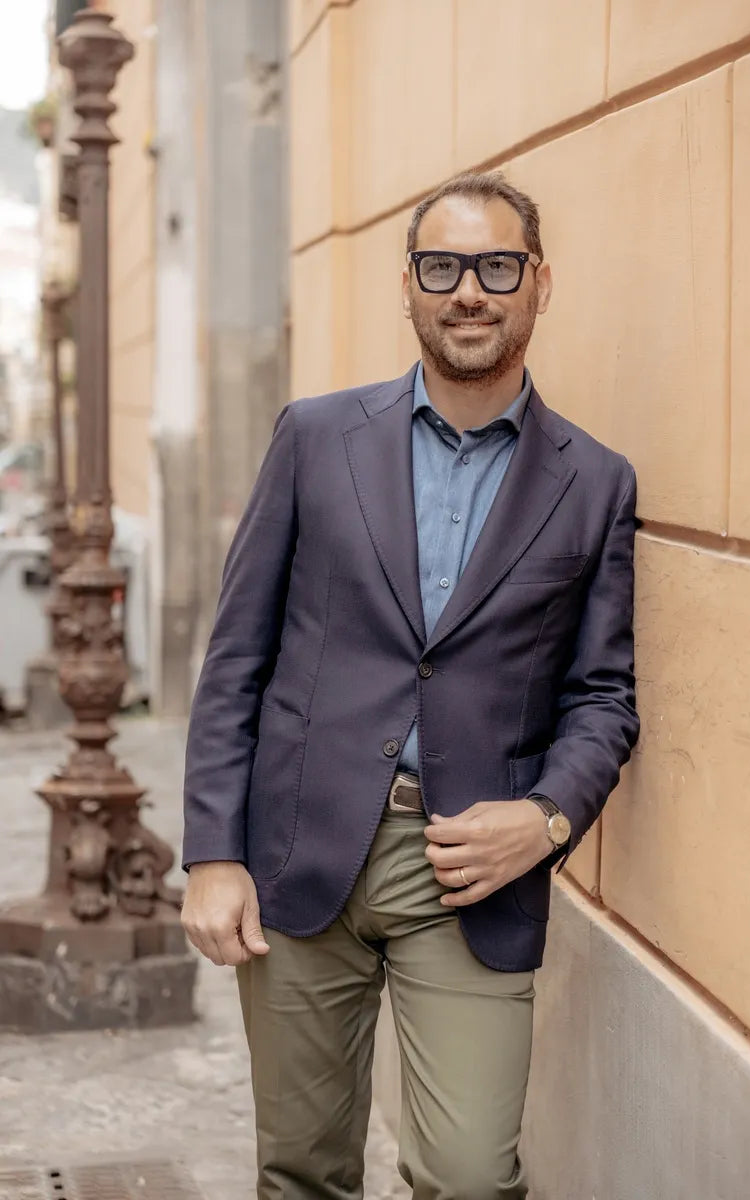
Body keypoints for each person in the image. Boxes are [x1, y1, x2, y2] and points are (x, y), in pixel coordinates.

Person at [181, 170, 639, 1200]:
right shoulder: (314, 438)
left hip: (471, 872)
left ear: (539, 283)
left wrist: (546, 818)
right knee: (300, 1170)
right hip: (298, 847)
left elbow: (603, 695)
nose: (468, 291)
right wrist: (212, 851)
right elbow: (237, 656)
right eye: (441, 267)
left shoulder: (595, 482)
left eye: (496, 267)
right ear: (407, 287)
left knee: (469, 1177)